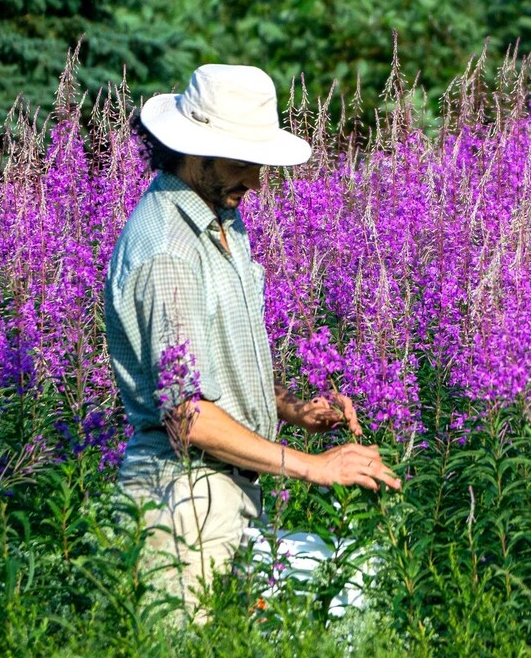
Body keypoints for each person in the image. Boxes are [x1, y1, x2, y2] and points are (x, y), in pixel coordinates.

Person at [103, 63, 401, 622]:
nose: (258, 181)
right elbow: (188, 415)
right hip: (182, 503)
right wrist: (314, 466)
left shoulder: (221, 223)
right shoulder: (171, 250)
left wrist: (289, 407)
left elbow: (214, 365)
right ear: (195, 151)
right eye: (243, 162)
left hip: (230, 497)